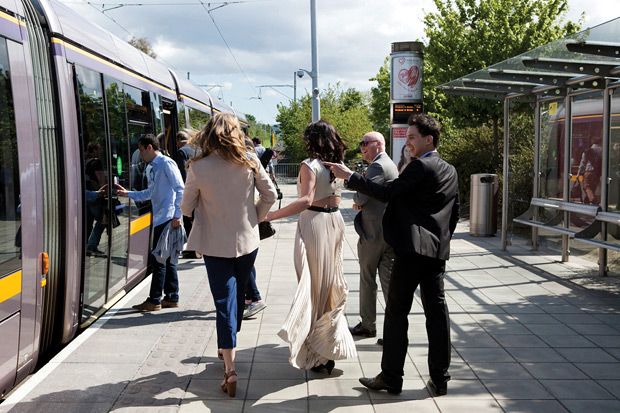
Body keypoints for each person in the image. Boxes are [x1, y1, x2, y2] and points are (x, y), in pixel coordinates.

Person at [325, 113, 459, 396]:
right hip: (436, 253)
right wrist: (441, 240)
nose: (407, 142)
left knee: (397, 313)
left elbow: (386, 193)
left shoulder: (419, 167)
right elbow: (454, 213)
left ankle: (391, 377)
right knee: (437, 315)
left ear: (428, 139)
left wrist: (350, 177)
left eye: (412, 137)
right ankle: (440, 378)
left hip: (411, 252)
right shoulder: (449, 170)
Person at [180, 113, 277, 397]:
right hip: (247, 242)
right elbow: (269, 195)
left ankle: (230, 367)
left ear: (208, 133)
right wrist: (254, 218)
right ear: (235, 133)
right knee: (236, 299)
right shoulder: (249, 160)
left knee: (224, 301)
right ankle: (228, 348)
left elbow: (186, 207)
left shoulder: (198, 166)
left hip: (213, 244)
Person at [264, 119, 357, 374]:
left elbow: (305, 200)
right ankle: (327, 343)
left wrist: (271, 215)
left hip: (314, 222)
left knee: (312, 284)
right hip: (335, 221)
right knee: (329, 285)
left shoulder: (309, 165)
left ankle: (318, 351)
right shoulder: (339, 166)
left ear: (312, 140)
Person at [116, 134, 185, 312]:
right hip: (161, 217)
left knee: (158, 260)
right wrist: (128, 194)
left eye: (140, 150)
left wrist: (177, 215)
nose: (139, 155)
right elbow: (149, 193)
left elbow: (180, 189)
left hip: (168, 218)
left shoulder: (166, 163)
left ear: (149, 147)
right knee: (167, 259)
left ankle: (154, 300)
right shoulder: (151, 168)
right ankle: (172, 296)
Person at [349, 132, 398, 345]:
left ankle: (368, 324)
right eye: (360, 144)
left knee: (368, 278)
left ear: (379, 144)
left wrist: (357, 200)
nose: (362, 148)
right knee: (388, 283)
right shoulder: (389, 164)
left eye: (365, 143)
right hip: (387, 231)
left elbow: (363, 194)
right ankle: (394, 331)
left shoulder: (377, 167)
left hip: (374, 232)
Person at [242, 136, 267, 320]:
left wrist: (257, 215)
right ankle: (251, 298)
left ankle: (255, 298)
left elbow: (268, 194)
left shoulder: (249, 163)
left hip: (244, 222)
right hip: (249, 221)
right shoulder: (252, 162)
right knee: (247, 262)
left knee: (245, 263)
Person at [175, 130, 200, 259]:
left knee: (189, 220)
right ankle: (199, 248)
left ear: (178, 140)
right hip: (201, 191)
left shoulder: (181, 151)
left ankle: (192, 249)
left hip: (190, 189)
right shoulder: (197, 149)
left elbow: (183, 175)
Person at [85, 142, 107, 256]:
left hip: (86, 197)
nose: (101, 151)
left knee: (88, 222)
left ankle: (85, 246)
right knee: (102, 221)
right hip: (96, 197)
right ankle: (91, 246)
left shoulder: (85, 162)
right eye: (99, 149)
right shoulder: (96, 162)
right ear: (93, 150)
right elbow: (101, 181)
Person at [576, 135, 603, 205]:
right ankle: (586, 201)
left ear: (592, 142)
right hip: (598, 173)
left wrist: (578, 173)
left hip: (588, 171)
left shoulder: (588, 151)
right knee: (593, 187)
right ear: (600, 142)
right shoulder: (603, 150)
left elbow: (583, 162)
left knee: (586, 187)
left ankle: (593, 200)